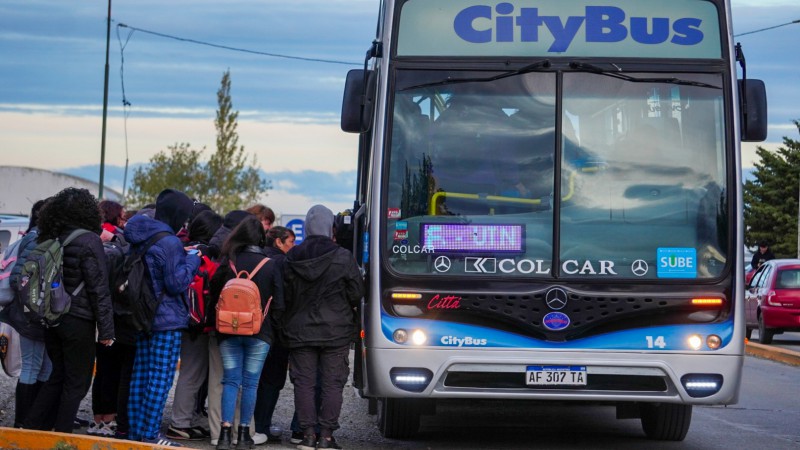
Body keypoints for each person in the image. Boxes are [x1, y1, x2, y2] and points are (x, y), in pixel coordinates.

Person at [24, 188, 115, 433]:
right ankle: (61, 435)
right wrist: (106, 330)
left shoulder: (51, 236)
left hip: (52, 317)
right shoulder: (89, 241)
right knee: (77, 383)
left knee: (57, 376)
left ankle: (32, 428)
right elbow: (99, 288)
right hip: (79, 321)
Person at [282, 205, 364, 450]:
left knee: (304, 383)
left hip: (299, 330)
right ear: (332, 228)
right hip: (336, 331)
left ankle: (307, 435)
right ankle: (326, 436)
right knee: (332, 384)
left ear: (306, 228)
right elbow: (357, 292)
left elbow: (284, 293)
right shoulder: (343, 256)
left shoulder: (292, 256)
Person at [124, 188, 201, 446]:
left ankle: (136, 433)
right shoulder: (169, 242)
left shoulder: (140, 234)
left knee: (141, 375)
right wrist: (193, 260)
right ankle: (151, 435)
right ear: (179, 214)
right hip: (166, 318)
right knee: (160, 377)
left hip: (142, 313)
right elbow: (176, 283)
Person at [209, 216, 284, 450]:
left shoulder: (227, 262)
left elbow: (214, 295)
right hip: (259, 333)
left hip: (228, 331)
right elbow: (280, 304)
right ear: (261, 237)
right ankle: (243, 436)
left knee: (230, 381)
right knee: (250, 384)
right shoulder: (270, 264)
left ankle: (223, 434)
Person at [167, 209, 223, 441]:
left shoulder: (183, 251)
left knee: (191, 372)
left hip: (180, 320)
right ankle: (179, 423)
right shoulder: (208, 257)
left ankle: (185, 419)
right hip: (200, 326)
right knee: (193, 373)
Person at [0, 199, 48, 428]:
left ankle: (28, 421)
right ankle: (25, 422)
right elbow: (22, 278)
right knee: (31, 365)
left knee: (34, 365)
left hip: (27, 311)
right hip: (31, 312)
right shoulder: (37, 239)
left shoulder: (29, 237)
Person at [87, 199, 128, 437]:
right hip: (114, 314)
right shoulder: (115, 240)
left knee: (101, 369)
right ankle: (109, 419)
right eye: (121, 217)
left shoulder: (89, 239)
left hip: (92, 313)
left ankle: (96, 418)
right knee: (113, 369)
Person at [253, 226, 295, 440]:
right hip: (274, 332)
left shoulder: (258, 257)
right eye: (290, 242)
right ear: (278, 242)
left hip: (250, 327)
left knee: (250, 379)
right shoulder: (282, 263)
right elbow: (283, 299)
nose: (293, 247)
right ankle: (261, 426)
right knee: (272, 380)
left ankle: (248, 426)